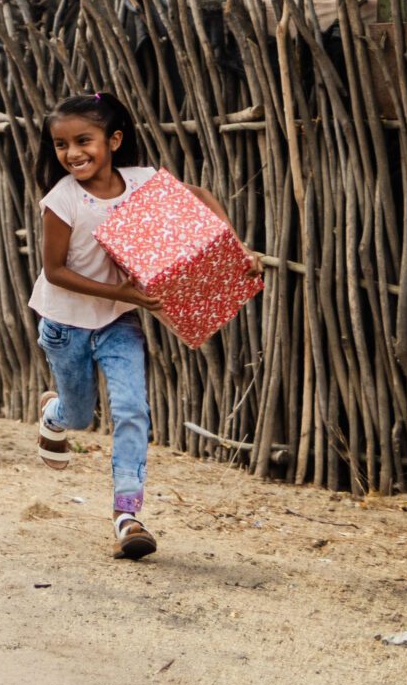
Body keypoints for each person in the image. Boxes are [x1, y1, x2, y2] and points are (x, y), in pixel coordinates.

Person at [29, 91, 248, 559]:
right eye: (61, 145)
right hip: (66, 324)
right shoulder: (62, 200)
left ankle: (127, 515)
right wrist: (125, 292)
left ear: (114, 140)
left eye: (83, 140)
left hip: (119, 322)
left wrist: (235, 249)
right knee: (81, 415)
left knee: (132, 410)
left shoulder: (143, 182)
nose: (72, 153)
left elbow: (204, 198)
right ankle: (54, 414)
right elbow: (55, 272)